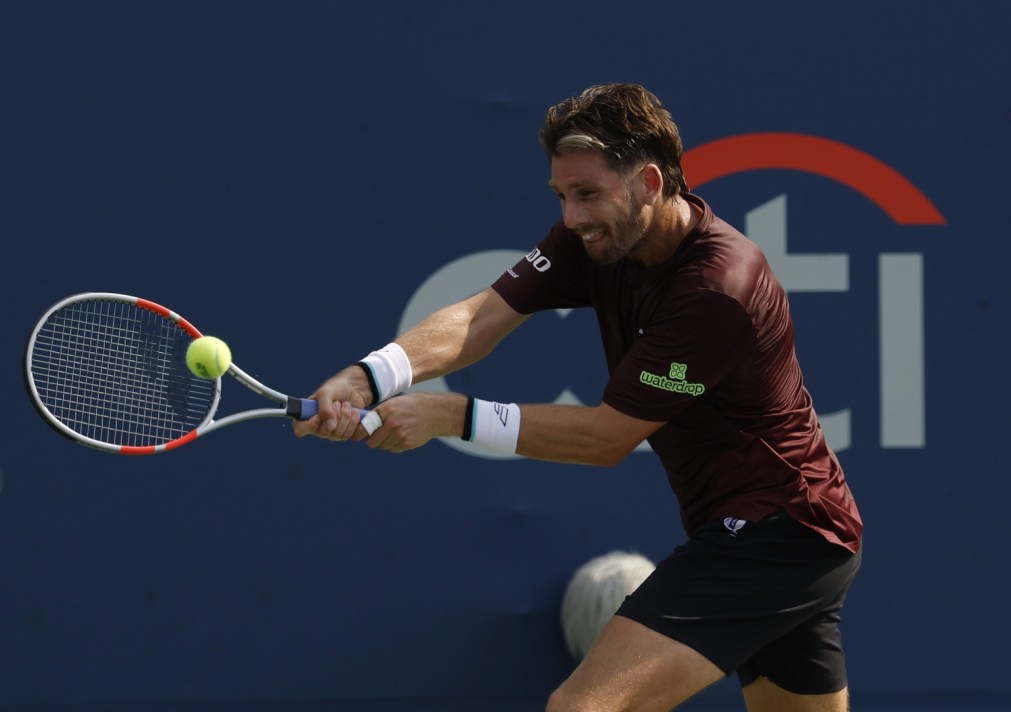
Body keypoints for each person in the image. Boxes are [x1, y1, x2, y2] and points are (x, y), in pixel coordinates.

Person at [294, 83, 863, 712]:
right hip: (798, 536)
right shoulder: (598, 240)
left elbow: (606, 437)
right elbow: (482, 317)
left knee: (581, 708)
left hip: (776, 531)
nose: (572, 217)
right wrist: (369, 376)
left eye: (588, 194)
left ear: (649, 182)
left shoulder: (715, 288)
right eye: (562, 196)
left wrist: (450, 415)